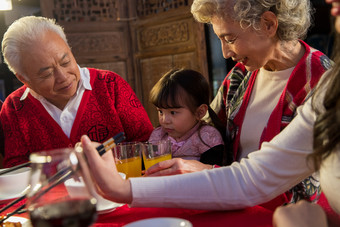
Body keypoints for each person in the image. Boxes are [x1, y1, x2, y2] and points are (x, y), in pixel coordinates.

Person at [79, 0, 340, 216]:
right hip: (229, 200)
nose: (225, 53)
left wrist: (208, 171)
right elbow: (201, 133)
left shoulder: (320, 83)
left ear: (268, 24)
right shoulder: (240, 76)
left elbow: (279, 182)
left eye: (230, 39)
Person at [0, 16, 154, 168]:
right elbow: (16, 168)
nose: (63, 77)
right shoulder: (14, 108)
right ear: (23, 79)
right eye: (47, 74)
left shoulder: (110, 85)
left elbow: (149, 144)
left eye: (65, 62)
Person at [148, 68, 231, 166]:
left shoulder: (207, 137)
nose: (164, 120)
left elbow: (211, 174)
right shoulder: (159, 136)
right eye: (160, 111)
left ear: (200, 112)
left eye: (173, 112)